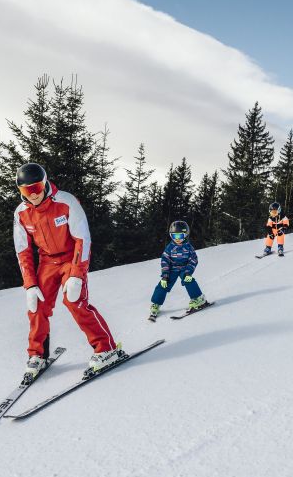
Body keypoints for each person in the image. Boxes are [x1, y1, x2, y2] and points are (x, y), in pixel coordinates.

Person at [13, 163, 122, 381]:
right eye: (26, 191)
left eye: (35, 188)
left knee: (74, 300)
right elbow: (23, 250)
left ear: (44, 184)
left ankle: (106, 348)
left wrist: (76, 274)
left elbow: (83, 239)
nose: (32, 195)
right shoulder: (22, 213)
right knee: (36, 305)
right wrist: (30, 284)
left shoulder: (65, 202)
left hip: (71, 257)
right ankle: (38, 354)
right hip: (47, 262)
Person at [149, 221, 208, 320]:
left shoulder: (188, 247)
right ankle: (156, 303)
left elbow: (193, 259)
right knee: (163, 284)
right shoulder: (170, 248)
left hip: (184, 268)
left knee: (188, 280)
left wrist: (188, 272)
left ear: (185, 235)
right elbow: (165, 261)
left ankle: (199, 298)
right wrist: (164, 275)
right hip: (172, 269)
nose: (177, 239)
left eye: (180, 236)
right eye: (174, 236)